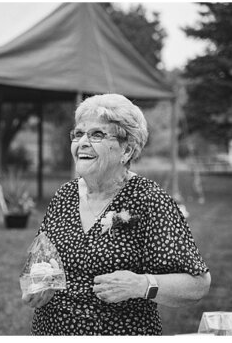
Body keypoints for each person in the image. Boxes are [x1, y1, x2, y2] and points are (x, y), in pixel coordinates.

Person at [24, 94, 211, 335]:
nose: (82, 142)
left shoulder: (149, 200)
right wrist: (35, 286)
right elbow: (39, 264)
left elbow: (198, 284)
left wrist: (142, 285)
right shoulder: (65, 195)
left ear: (127, 150)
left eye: (97, 135)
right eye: (78, 133)